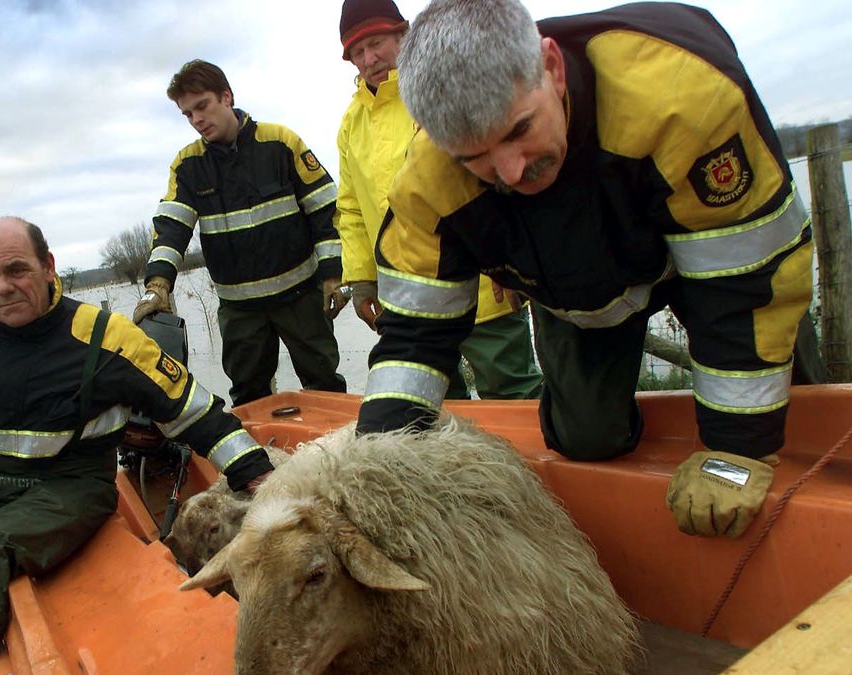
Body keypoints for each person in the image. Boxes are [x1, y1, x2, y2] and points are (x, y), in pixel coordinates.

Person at [356, 0, 814, 540]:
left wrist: (737, 448)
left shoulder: (681, 98)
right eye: (473, 159)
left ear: (551, 67)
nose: (511, 171)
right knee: (586, 438)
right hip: (581, 292)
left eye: (517, 129)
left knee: (800, 415)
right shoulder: (427, 180)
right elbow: (412, 337)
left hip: (708, 259)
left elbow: (751, 278)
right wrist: (376, 473)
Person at [0, 217, 274, 674]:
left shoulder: (104, 337)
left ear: (48, 266)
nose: (2, 288)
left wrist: (255, 472)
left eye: (17, 270)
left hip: (73, 486)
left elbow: (192, 410)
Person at [335, 0, 542, 400]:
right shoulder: (350, 124)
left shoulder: (446, 89)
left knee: (513, 394)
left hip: (487, 288)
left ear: (403, 35)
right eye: (357, 52)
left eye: (376, 42)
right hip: (410, 301)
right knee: (434, 408)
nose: (368, 58)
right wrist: (360, 279)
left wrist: (516, 263)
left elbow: (501, 174)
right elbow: (351, 208)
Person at [133, 60, 348, 406]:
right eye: (187, 114)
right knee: (249, 400)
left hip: (301, 299)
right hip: (240, 312)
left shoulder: (280, 142)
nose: (197, 119)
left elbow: (326, 212)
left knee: (326, 390)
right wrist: (157, 285)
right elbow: (171, 229)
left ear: (227, 97)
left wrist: (333, 275)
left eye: (202, 106)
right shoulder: (188, 165)